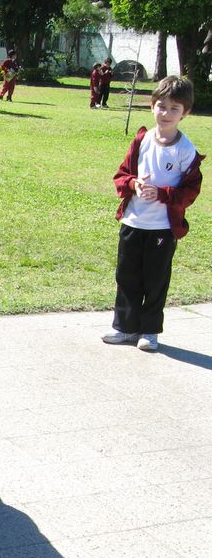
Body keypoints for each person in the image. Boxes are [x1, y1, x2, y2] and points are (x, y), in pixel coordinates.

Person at [103, 76, 203, 353]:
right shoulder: (142, 140)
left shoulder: (186, 151)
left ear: (185, 113)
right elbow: (122, 175)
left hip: (162, 227)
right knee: (127, 276)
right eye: (161, 106)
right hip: (133, 221)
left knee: (155, 280)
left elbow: (191, 191)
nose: (166, 113)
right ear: (152, 106)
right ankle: (125, 327)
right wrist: (133, 184)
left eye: (174, 108)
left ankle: (149, 331)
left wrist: (162, 193)